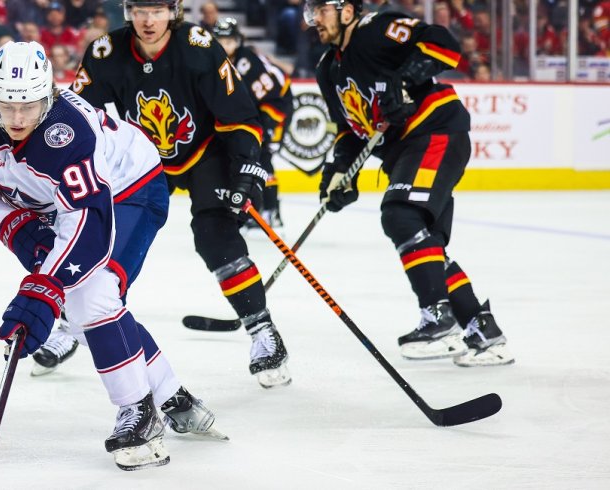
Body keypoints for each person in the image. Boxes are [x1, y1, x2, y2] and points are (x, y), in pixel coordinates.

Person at [0, 40, 225, 470]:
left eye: (30, 107)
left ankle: (142, 416)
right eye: (5, 106)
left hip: (130, 187)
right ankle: (172, 396)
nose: (17, 119)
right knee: (90, 303)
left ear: (50, 94)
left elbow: (89, 223)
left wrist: (45, 288)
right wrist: (17, 228)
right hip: (60, 204)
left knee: (90, 296)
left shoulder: (67, 134)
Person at [72, 0, 292, 388]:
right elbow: (78, 116)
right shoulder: (105, 53)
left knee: (215, 236)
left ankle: (263, 331)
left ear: (172, 12)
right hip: (144, 156)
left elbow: (239, 115)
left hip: (208, 152)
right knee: (106, 234)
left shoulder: (199, 46)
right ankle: (68, 323)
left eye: (156, 11)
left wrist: (245, 166)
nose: (147, 20)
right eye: (139, 10)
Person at [306, 0, 514, 366]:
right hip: (403, 151)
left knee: (400, 216)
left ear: (347, 11)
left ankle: (437, 317)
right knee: (427, 247)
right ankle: (483, 333)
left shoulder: (376, 30)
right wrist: (341, 170)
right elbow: (350, 131)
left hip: (435, 130)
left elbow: (442, 42)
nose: (314, 19)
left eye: (321, 9)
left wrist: (408, 76)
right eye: (311, 11)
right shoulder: (328, 70)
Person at [212, 17, 293, 236]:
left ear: (238, 41)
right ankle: (254, 211)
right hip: (250, 115)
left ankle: (272, 212)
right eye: (220, 40)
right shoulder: (215, 61)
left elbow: (274, 93)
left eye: (229, 41)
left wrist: (267, 125)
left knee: (262, 157)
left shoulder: (247, 62)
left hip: (274, 108)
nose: (224, 45)